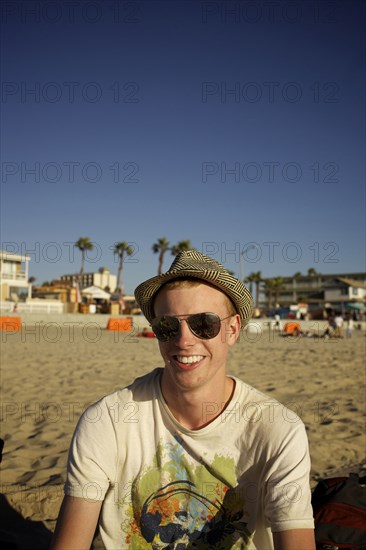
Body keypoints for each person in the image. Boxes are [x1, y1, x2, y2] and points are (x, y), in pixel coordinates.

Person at [51, 250, 315, 550]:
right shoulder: (108, 421)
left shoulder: (277, 429)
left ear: (232, 329)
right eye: (168, 327)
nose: (184, 340)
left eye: (204, 324)